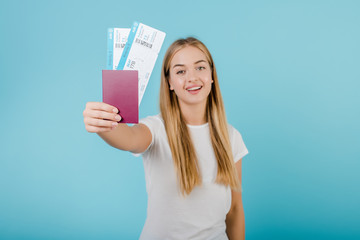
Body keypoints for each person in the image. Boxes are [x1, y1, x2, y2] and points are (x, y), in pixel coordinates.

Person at [83, 37, 249, 240]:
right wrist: (103, 124)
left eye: (200, 67)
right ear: (170, 82)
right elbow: (130, 138)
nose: (192, 77)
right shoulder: (156, 128)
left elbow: (234, 210)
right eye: (180, 71)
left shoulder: (231, 137)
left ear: (212, 75)